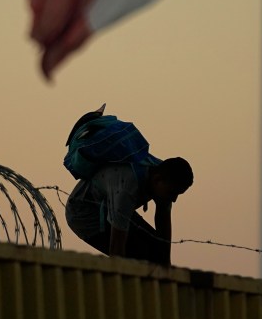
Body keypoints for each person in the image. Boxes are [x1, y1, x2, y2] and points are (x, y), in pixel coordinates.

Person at [64, 106, 194, 266]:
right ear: (157, 179)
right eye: (173, 193)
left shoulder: (163, 174)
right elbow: (117, 248)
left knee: (157, 253)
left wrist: (167, 268)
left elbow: (163, 224)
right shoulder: (127, 187)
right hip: (84, 214)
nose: (173, 199)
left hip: (112, 204)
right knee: (143, 257)